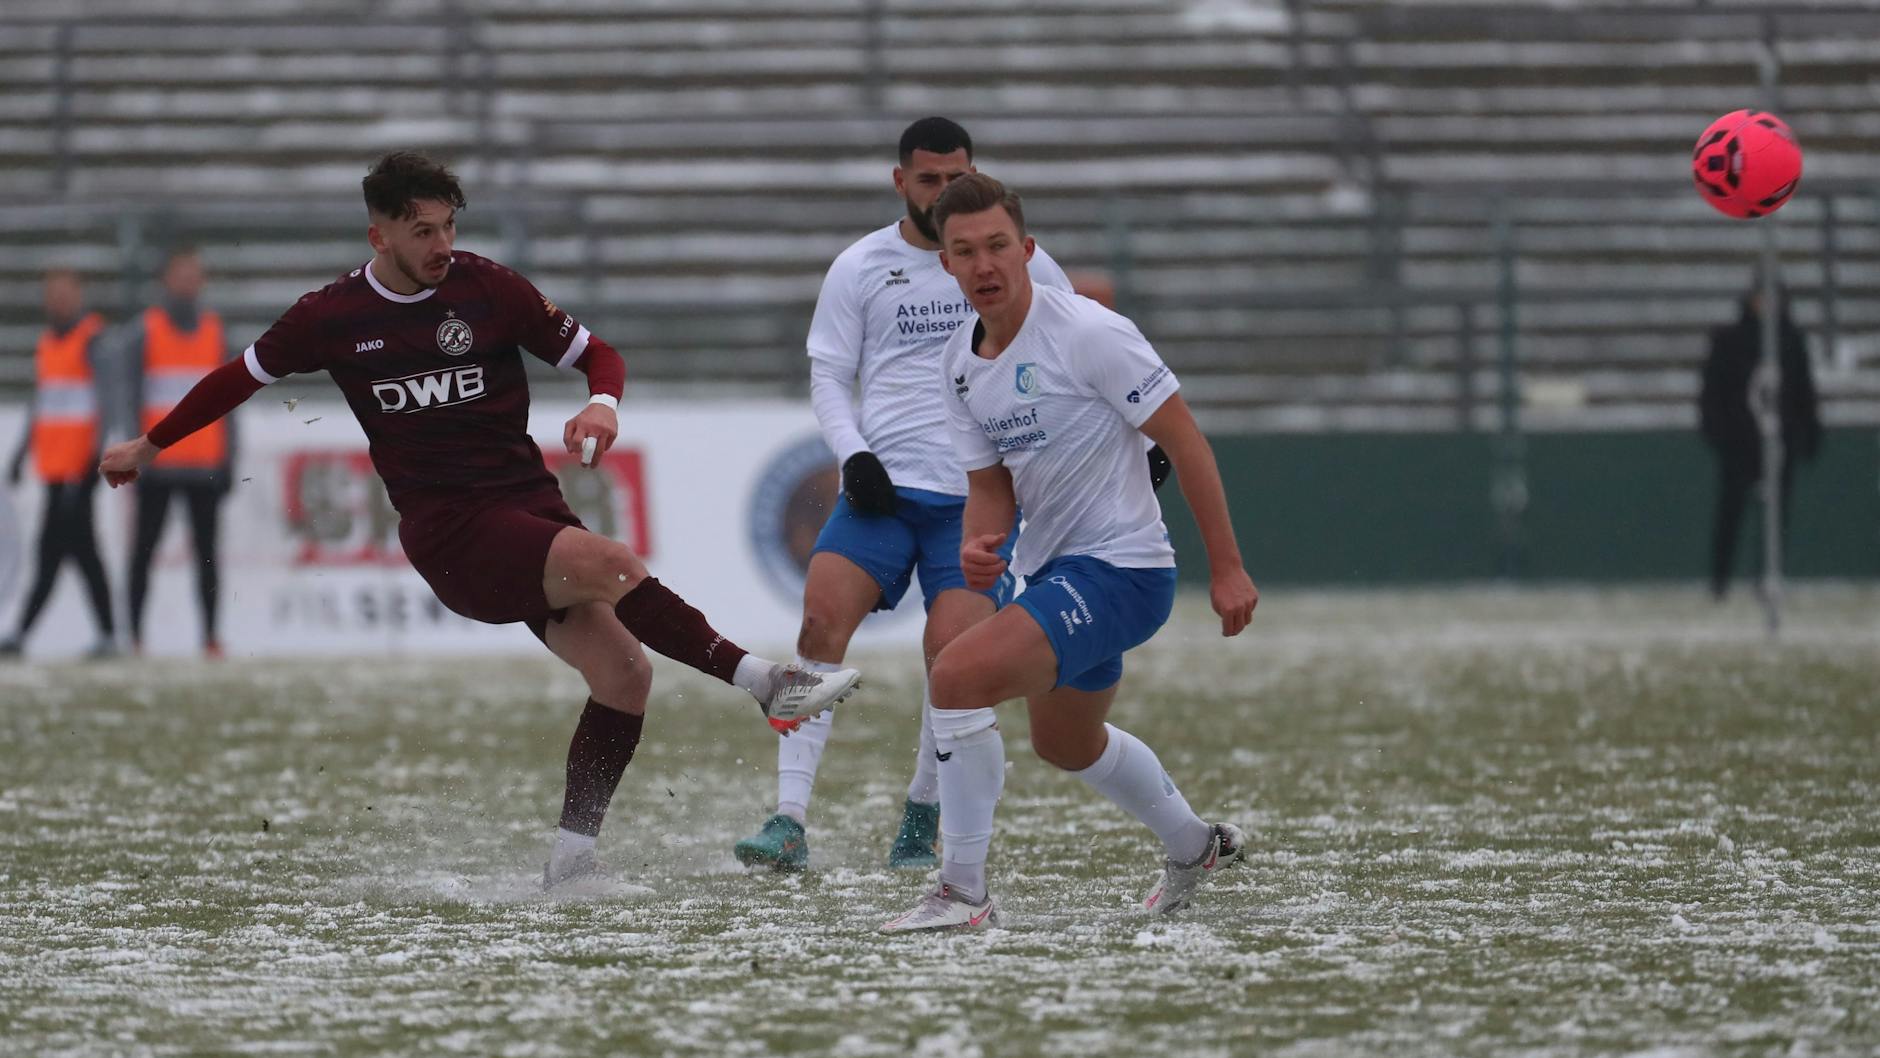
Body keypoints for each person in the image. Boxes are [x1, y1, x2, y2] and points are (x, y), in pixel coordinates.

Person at [97, 151, 863, 888]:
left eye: (449, 226)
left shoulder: (488, 287)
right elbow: (237, 379)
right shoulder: (332, 315)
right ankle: (765, 683)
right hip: (452, 534)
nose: (442, 245)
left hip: (527, 507)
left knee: (625, 675)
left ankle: (570, 864)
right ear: (379, 236)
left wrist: (602, 403)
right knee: (612, 563)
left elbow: (600, 355)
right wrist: (150, 445)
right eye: (423, 231)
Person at [880, 174, 1258, 932]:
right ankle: (1196, 845)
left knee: (955, 676)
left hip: (1123, 572)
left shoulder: (1089, 333)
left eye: (997, 246)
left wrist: (1227, 567)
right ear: (945, 264)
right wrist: (978, 542)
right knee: (1065, 742)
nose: (983, 264)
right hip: (1056, 574)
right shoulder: (958, 363)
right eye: (965, 252)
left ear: (1027, 250)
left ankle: (961, 894)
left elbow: (1186, 443)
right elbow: (990, 486)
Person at [731, 117, 1077, 873]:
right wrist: (853, 454)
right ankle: (788, 818)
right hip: (883, 492)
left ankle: (921, 815)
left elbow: (1079, 347)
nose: (944, 191)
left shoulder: (1021, 262)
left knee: (950, 655)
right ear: (900, 182)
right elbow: (829, 374)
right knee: (819, 620)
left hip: (976, 499)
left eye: (957, 177)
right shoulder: (861, 266)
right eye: (928, 180)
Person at [118, 247, 234, 656]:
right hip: (158, 465)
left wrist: (229, 458)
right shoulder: (145, 330)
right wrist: (133, 452)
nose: (187, 282)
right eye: (180, 274)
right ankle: (134, 637)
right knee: (143, 553)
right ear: (165, 280)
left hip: (205, 463)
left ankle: (210, 638)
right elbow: (130, 398)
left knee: (207, 558)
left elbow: (230, 402)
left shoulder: (215, 330)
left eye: (193, 274)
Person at [1, 269, 118, 659]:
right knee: (77, 553)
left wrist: (95, 461)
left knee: (58, 552)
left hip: (79, 469)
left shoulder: (92, 340)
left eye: (65, 294)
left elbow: (106, 404)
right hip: (54, 468)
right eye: (53, 295)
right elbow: (42, 404)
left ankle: (23, 633)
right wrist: (21, 454)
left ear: (79, 296)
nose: (58, 302)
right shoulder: (47, 343)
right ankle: (105, 633)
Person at [1699, 280, 1821, 599]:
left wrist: (1808, 434)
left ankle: (1769, 577)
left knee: (1776, 517)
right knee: (1731, 513)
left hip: (1779, 443)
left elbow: (1803, 392)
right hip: (1740, 444)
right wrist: (1718, 433)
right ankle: (1720, 581)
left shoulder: (1791, 340)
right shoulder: (1730, 340)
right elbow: (1713, 392)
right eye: (1760, 298)